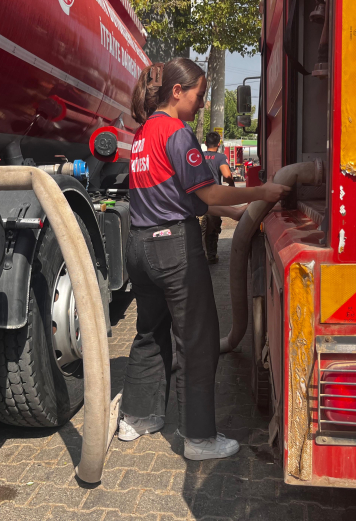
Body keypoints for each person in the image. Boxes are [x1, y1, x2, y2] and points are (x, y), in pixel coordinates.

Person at [119, 58, 291, 460]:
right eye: (199, 94)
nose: (202, 104)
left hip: (140, 247)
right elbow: (208, 193)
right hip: (173, 249)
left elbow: (182, 197)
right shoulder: (177, 133)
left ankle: (137, 418)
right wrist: (261, 192)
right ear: (177, 91)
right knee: (197, 341)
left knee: (149, 332)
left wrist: (236, 213)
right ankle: (199, 439)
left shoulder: (143, 134)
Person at [200, 132, 234, 264]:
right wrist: (231, 185)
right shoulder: (220, 157)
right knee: (212, 228)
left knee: (199, 229)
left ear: (205, 143)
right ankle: (211, 256)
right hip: (213, 198)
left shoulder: (198, 156)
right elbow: (227, 175)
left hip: (198, 197)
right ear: (218, 144)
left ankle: (198, 257)